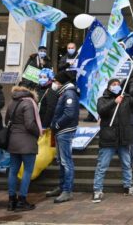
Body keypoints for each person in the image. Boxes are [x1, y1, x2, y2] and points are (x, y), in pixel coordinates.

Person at [92, 79, 133, 203]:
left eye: (118, 85)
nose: (116, 86)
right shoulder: (102, 99)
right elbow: (101, 111)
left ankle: (128, 187)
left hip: (123, 138)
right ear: (108, 87)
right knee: (102, 165)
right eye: (114, 85)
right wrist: (114, 102)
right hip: (108, 138)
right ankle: (97, 190)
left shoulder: (126, 98)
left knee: (126, 164)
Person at [5, 86, 42, 211]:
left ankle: (11, 200)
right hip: (27, 141)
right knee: (27, 171)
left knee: (13, 171)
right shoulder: (29, 103)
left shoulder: (11, 102)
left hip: (13, 140)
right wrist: (39, 133)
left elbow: (7, 120)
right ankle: (22, 200)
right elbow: (30, 124)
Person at [46, 71, 79, 203]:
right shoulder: (64, 93)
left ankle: (67, 190)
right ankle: (62, 187)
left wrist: (58, 125)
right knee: (61, 161)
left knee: (66, 162)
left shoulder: (69, 93)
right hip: (61, 131)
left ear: (61, 82)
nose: (54, 83)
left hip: (65, 131)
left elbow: (69, 114)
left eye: (55, 81)